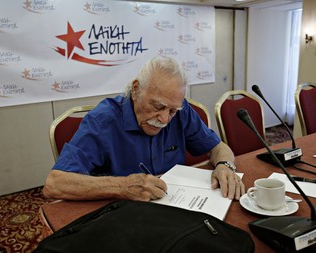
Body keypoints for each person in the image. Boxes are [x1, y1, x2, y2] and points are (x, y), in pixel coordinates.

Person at [43, 56, 245, 202]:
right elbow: (55, 184)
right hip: (122, 213)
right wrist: (122, 187)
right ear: (136, 89)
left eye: (172, 111)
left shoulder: (182, 112)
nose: (165, 119)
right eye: (158, 107)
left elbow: (218, 147)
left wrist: (225, 165)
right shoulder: (102, 120)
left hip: (177, 206)